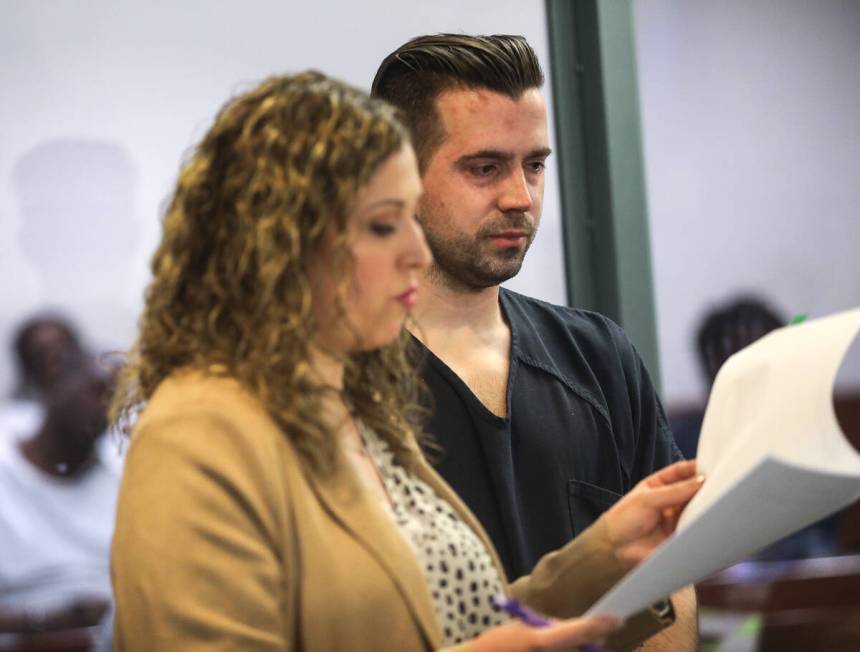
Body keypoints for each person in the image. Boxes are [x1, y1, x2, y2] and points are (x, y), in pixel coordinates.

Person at [109, 71, 703, 652]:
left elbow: (456, 623)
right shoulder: (198, 431)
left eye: (534, 165)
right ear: (282, 243)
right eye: (383, 224)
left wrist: (603, 557)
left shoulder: (354, 405)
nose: (416, 253)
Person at [371, 34, 697, 649]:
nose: (520, 197)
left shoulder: (598, 358)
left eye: (535, 165)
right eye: (484, 167)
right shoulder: (340, 383)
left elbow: (666, 572)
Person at [0, 355, 119, 636]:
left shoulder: (120, 479)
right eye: (97, 391)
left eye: (117, 399)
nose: (107, 408)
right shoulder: (6, 476)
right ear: (55, 386)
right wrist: (44, 624)